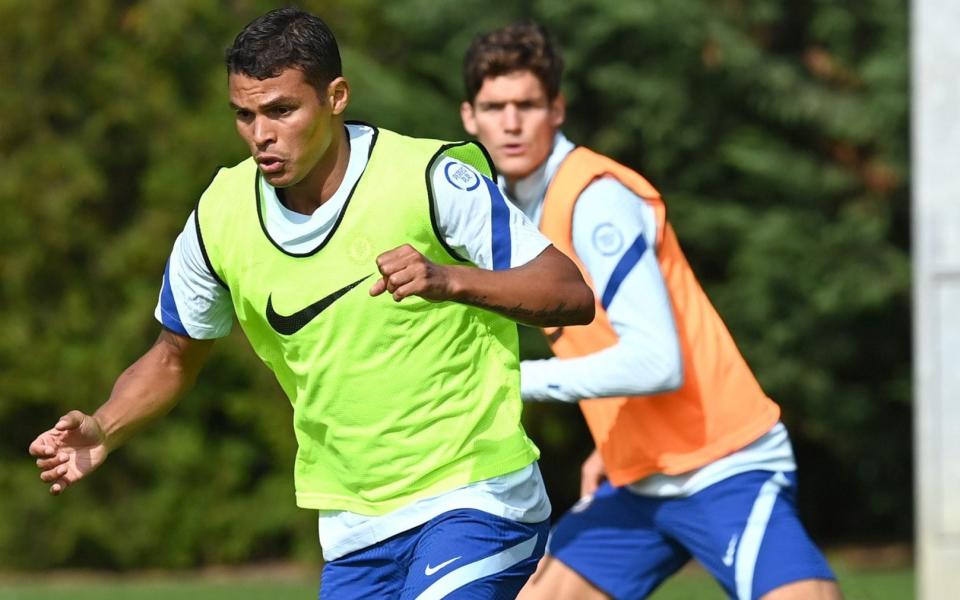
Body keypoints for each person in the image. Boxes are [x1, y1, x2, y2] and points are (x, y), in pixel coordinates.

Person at [28, 8, 596, 599]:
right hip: (354, 526)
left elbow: (569, 292)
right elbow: (174, 355)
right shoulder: (220, 216)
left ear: (336, 97)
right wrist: (104, 426)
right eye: (244, 116)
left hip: (478, 494)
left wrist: (451, 280)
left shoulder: (426, 177)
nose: (261, 135)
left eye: (281, 110)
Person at [460, 21, 842, 600]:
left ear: (557, 110)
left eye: (527, 105)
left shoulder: (594, 198)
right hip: (636, 481)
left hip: (725, 463)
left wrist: (509, 381)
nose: (511, 123)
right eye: (495, 106)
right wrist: (611, 443)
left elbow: (657, 362)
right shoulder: (512, 210)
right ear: (470, 118)